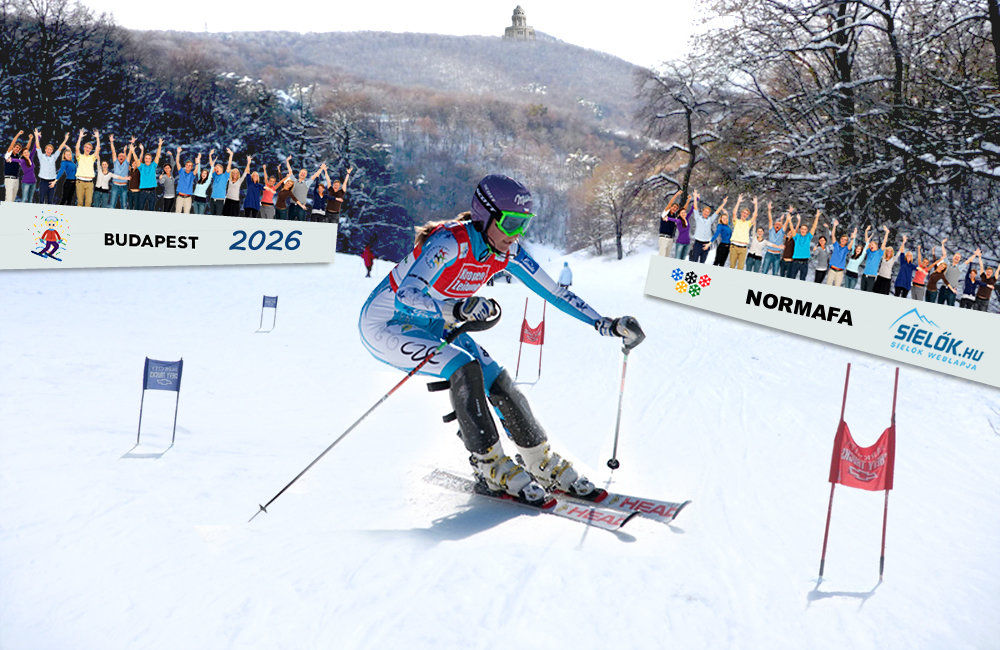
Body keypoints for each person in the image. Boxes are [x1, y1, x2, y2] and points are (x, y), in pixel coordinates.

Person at [358, 174, 644, 503]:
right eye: (510, 223)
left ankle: (539, 460)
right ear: (486, 216)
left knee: (498, 378)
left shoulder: (509, 252)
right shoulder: (450, 242)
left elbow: (553, 291)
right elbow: (406, 294)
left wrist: (604, 323)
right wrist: (458, 306)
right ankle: (489, 464)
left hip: (436, 325)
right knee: (464, 367)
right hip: (387, 324)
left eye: (523, 224)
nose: (516, 234)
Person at [688, 191, 725, 264]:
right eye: (705, 211)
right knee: (694, 261)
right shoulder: (698, 218)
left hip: (706, 244)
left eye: (708, 212)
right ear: (702, 211)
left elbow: (717, 211)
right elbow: (695, 208)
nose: (706, 213)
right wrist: (695, 198)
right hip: (697, 244)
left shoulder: (710, 220)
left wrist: (723, 203)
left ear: (709, 213)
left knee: (702, 262)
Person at [33, 129, 69, 205]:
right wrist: (36, 136)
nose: (49, 150)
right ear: (45, 150)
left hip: (52, 181)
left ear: (52, 151)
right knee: (41, 200)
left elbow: (60, 148)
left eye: (51, 149)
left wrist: (65, 139)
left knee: (50, 200)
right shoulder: (41, 156)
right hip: (43, 181)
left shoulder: (54, 157)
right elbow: (38, 146)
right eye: (48, 149)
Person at [788, 209, 821, 280]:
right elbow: (792, 228)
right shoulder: (796, 236)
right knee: (792, 278)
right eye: (802, 229)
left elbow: (814, 227)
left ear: (807, 230)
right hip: (795, 262)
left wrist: (817, 217)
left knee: (802, 279)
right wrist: (789, 220)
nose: (803, 230)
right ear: (800, 230)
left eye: (805, 229)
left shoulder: (808, 237)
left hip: (805, 263)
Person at [727, 195, 757, 269]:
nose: (745, 214)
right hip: (734, 247)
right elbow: (734, 213)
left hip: (743, 248)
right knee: (732, 266)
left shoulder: (748, 223)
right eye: (744, 212)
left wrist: (756, 204)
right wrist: (738, 202)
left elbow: (755, 215)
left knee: (740, 268)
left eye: (747, 214)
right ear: (741, 213)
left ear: (747, 216)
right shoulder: (736, 221)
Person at [74, 129, 100, 208]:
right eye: (86, 147)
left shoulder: (92, 157)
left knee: (88, 203)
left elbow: (98, 148)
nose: (88, 149)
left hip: (89, 183)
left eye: (89, 148)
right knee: (80, 202)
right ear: (84, 148)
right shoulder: (80, 157)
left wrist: (97, 138)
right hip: (80, 182)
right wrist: (80, 137)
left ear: (91, 150)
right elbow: (76, 148)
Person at [825, 221, 855, 287]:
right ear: (840, 239)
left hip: (840, 272)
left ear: (846, 241)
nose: (843, 240)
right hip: (832, 270)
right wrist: (834, 226)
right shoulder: (836, 245)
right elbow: (833, 235)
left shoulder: (846, 249)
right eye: (842, 239)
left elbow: (850, 245)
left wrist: (853, 238)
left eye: (845, 240)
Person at [762, 203, 788, 276]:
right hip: (769, 253)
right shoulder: (771, 230)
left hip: (777, 255)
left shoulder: (782, 232)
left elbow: (786, 223)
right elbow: (770, 219)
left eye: (779, 225)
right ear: (774, 225)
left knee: (775, 273)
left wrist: (789, 213)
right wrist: (769, 209)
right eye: (776, 224)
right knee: (764, 271)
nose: (777, 225)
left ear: (781, 226)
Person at [860, 226, 889, 292]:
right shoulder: (869, 252)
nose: (871, 245)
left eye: (872, 244)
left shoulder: (879, 253)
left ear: (876, 246)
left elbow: (884, 244)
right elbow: (867, 242)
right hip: (864, 276)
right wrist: (866, 231)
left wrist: (887, 233)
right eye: (870, 245)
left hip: (871, 277)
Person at [107, 135, 131, 209]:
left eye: (123, 156)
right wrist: (111, 142)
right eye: (119, 156)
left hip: (124, 186)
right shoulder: (116, 162)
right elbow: (113, 152)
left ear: (125, 158)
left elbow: (130, 153)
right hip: (115, 186)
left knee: (124, 205)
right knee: (112, 204)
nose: (121, 157)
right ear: (117, 157)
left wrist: (132, 145)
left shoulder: (126, 163)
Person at [174, 147, 199, 214]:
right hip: (180, 197)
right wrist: (178, 153)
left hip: (188, 198)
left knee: (186, 213)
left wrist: (197, 163)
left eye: (190, 166)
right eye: (187, 165)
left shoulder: (192, 174)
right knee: (177, 213)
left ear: (191, 167)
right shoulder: (181, 171)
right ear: (185, 166)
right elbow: (177, 162)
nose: (188, 166)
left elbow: (196, 170)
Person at [658, 190, 682, 257]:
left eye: (676, 208)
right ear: (671, 207)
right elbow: (670, 203)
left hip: (670, 239)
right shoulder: (665, 213)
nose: (675, 209)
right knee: (661, 256)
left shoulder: (674, 217)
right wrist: (676, 194)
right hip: (664, 238)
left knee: (666, 257)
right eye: (674, 207)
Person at [4, 130, 25, 202]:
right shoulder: (8, 155)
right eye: (16, 147)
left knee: (12, 199)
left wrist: (31, 139)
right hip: (9, 179)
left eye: (19, 148)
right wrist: (18, 134)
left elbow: (25, 151)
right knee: (9, 199)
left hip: (16, 180)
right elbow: (12, 144)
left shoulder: (18, 158)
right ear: (13, 148)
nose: (17, 149)